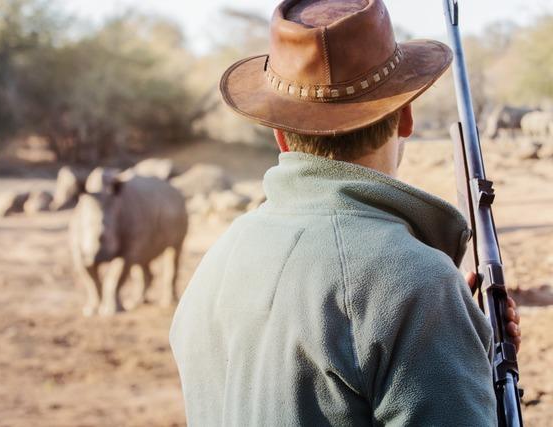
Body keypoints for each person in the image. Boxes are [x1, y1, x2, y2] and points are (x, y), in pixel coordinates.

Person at [170, 0, 521, 425]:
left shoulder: (217, 263)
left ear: (280, 135)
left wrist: (461, 345)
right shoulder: (418, 285)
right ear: (405, 116)